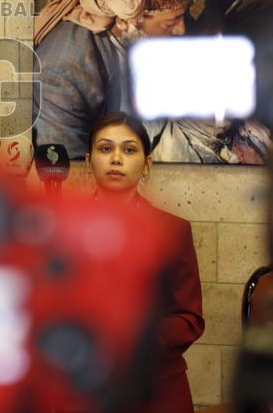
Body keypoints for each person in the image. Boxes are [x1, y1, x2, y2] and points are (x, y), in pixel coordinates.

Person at [85, 112, 204, 413]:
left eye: (129, 150)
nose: (116, 159)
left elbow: (189, 318)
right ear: (89, 160)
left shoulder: (173, 231)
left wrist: (138, 344)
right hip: (84, 382)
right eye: (105, 148)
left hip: (157, 386)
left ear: (147, 163)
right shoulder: (61, 228)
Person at [33, 0, 193, 159]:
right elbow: (68, 176)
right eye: (170, 23)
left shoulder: (137, 40)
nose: (182, 30)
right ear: (125, 21)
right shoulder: (62, 74)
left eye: (184, 17)